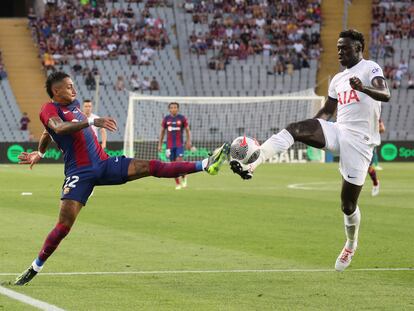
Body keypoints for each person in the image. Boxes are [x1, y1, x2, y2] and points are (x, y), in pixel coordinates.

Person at [14, 72, 230, 285]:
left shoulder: (75, 104)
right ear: (56, 90)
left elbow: (48, 134)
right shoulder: (48, 109)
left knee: (151, 165)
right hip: (78, 174)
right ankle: (35, 267)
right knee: (63, 226)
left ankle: (205, 165)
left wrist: (40, 153)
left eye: (73, 85)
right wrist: (90, 122)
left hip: (105, 164)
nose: (74, 89)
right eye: (69, 86)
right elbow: (54, 129)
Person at [230, 29, 391, 272]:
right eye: (337, 47)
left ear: (358, 49)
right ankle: (253, 163)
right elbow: (327, 110)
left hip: (360, 142)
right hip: (339, 130)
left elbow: (385, 94)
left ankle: (351, 243)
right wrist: (313, 127)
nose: (339, 51)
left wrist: (364, 89)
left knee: (347, 206)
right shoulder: (337, 80)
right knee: (294, 128)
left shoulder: (370, 68)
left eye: (344, 48)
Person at [158, 102, 191, 190]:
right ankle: (177, 184)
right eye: (172, 107)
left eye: (175, 107)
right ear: (169, 109)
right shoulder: (166, 119)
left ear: (178, 108)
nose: (173, 109)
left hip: (179, 145)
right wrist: (160, 144)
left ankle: (184, 180)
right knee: (172, 165)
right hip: (169, 146)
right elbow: (162, 132)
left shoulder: (182, 118)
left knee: (179, 162)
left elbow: (187, 130)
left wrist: (188, 142)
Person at [368, 119, 386, 196]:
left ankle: (375, 183)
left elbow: (382, 129)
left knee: (368, 168)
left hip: (369, 144)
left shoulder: (376, 116)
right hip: (358, 142)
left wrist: (373, 131)